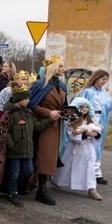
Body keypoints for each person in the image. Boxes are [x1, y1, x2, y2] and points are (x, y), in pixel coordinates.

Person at [0, 83, 52, 206]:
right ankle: (12, 193)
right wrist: (12, 145)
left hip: (27, 151)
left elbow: (37, 126)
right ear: (19, 99)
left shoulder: (28, 114)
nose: (29, 100)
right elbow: (3, 130)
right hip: (14, 151)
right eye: (26, 98)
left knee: (28, 170)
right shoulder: (9, 114)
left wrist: (50, 119)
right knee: (14, 172)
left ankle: (11, 187)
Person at [27, 55, 67, 205]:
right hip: (41, 124)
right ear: (53, 68)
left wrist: (68, 112)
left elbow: (64, 105)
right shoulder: (40, 84)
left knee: (49, 157)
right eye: (61, 66)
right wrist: (48, 113)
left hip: (56, 125)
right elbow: (30, 104)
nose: (63, 69)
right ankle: (37, 188)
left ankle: (41, 187)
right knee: (41, 155)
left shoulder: (62, 86)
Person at [53, 97, 104, 200]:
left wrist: (94, 134)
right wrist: (85, 132)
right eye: (82, 107)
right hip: (74, 149)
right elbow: (71, 135)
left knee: (90, 168)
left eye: (86, 107)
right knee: (66, 167)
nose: (84, 109)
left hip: (87, 149)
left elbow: (97, 132)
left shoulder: (90, 120)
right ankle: (57, 181)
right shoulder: (71, 120)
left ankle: (91, 189)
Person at [76, 69, 112, 185]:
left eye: (106, 80)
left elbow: (108, 107)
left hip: (101, 120)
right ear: (96, 78)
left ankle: (97, 173)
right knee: (87, 144)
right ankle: (85, 171)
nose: (104, 82)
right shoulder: (87, 92)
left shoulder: (104, 93)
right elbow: (79, 104)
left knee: (97, 145)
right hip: (90, 119)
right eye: (103, 79)